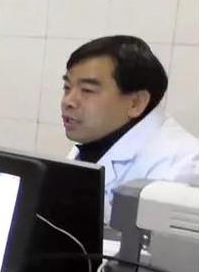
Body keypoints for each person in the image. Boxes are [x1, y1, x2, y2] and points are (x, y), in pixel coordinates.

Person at [62, 35, 199, 220]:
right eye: (67, 87)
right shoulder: (96, 138)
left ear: (136, 103)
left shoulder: (181, 167)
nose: (68, 101)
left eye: (87, 90)